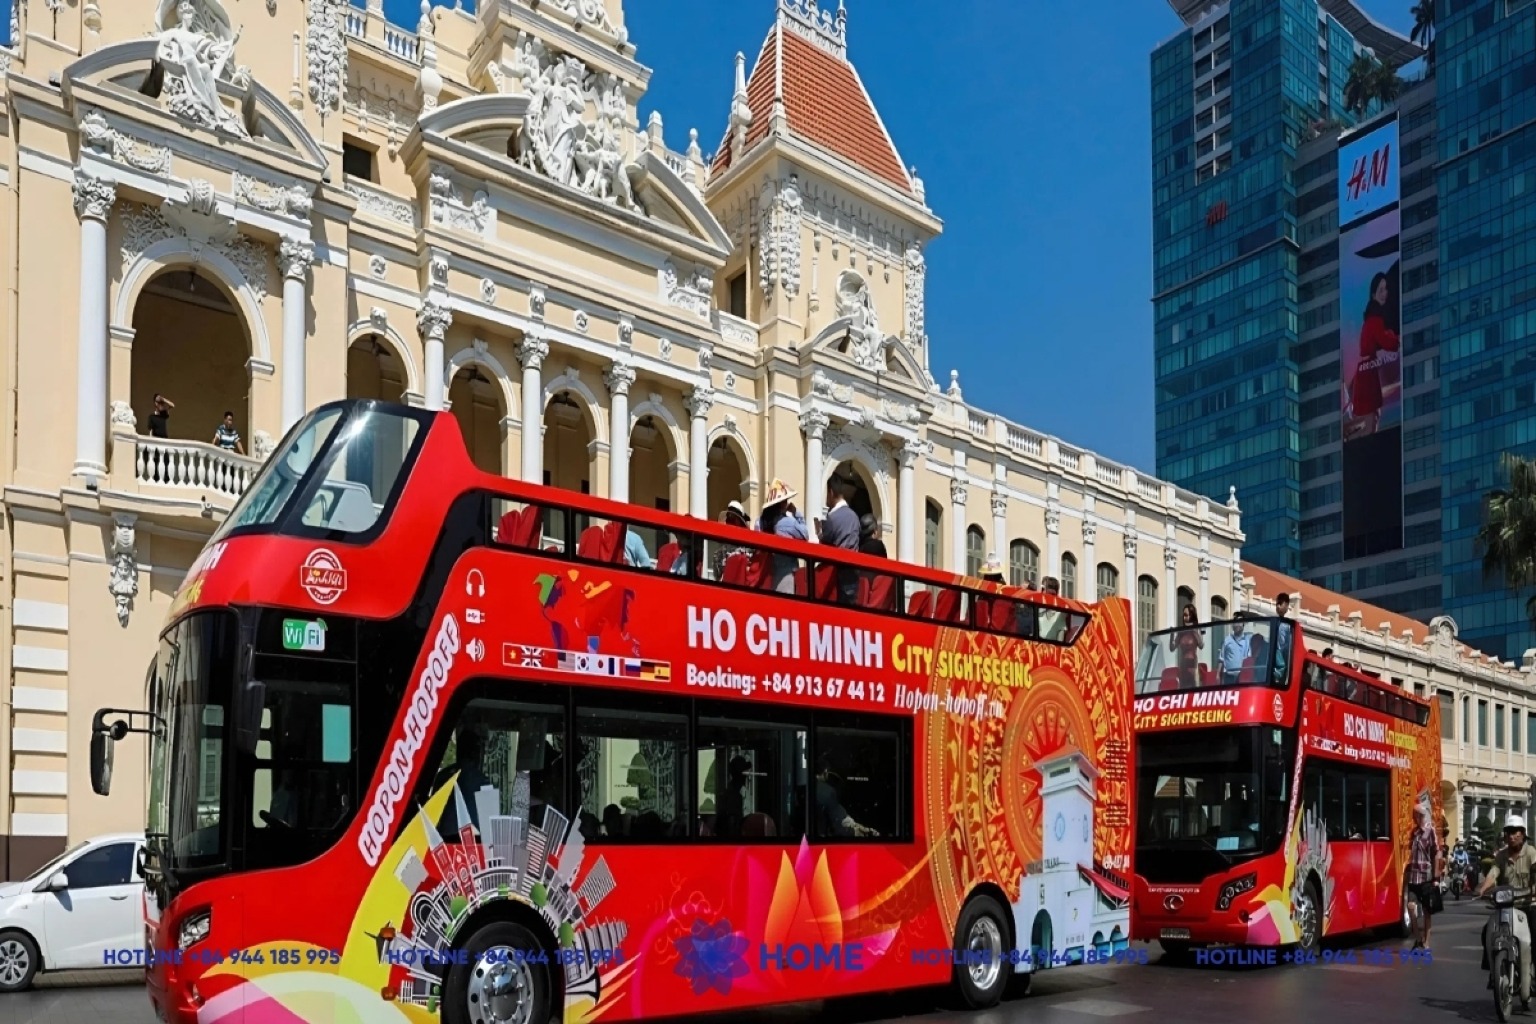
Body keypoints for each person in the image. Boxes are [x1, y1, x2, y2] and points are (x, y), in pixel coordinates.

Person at [1479, 813, 1536, 996]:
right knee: (1486, 932)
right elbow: (1493, 873)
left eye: (1515, 831)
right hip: (1506, 906)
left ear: (1523, 834)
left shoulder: (1531, 852)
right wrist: (1483, 888)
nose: (1511, 836)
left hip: (1528, 905)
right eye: (1508, 832)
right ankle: (1493, 972)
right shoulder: (1501, 855)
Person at [1346, 271, 1400, 437]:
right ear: (1373, 294)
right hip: (1367, 377)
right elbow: (1389, 343)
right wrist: (1394, 336)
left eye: (1386, 289)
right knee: (1371, 420)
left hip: (1367, 374)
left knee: (1371, 418)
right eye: (1380, 290)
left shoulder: (1371, 318)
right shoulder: (1375, 319)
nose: (1385, 293)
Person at [815, 474, 860, 603]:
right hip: (854, 571)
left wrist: (819, 533)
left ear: (831, 492)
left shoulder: (832, 518)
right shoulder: (855, 517)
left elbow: (825, 546)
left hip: (838, 573)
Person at [758, 479, 808, 593]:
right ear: (782, 503)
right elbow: (805, 534)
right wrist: (796, 513)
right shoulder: (787, 522)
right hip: (786, 573)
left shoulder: (762, 522)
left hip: (771, 571)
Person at [1404, 804, 1443, 949]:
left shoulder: (1430, 831)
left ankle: (1426, 943)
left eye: (1417, 815)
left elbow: (1436, 853)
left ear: (1421, 815)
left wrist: (1436, 878)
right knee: (1410, 906)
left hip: (1426, 877)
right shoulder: (1414, 832)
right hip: (1414, 877)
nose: (1415, 818)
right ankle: (1418, 937)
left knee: (1427, 910)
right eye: (1414, 815)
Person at [814, 755, 877, 838]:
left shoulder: (804, 788)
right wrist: (856, 831)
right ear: (825, 771)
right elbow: (838, 823)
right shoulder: (827, 792)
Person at [1170, 602, 1204, 687]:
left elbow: (1201, 645)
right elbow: (1172, 648)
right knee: (1182, 689)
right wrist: (1171, 634)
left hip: (1193, 666)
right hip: (1183, 667)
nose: (1186, 618)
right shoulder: (1181, 632)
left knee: (1193, 689)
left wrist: (1196, 631)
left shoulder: (1196, 630)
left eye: (1188, 615)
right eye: (1184, 615)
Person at [1219, 616, 1253, 683]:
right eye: (1235, 622)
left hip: (1243, 678)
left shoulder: (1247, 641)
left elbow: (1249, 659)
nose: (1237, 625)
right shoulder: (1227, 640)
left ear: (1243, 624)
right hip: (1228, 678)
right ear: (1232, 625)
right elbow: (1221, 659)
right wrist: (1218, 675)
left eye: (1239, 622)